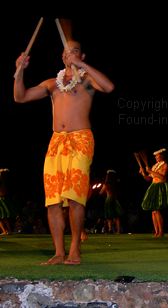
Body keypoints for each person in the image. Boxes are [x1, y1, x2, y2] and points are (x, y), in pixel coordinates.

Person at [14, 39, 115, 265]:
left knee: (76, 198)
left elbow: (109, 87)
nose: (70, 54)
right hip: (56, 142)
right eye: (66, 52)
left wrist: (82, 65)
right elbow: (20, 97)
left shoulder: (88, 81)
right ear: (62, 57)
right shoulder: (53, 83)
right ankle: (59, 252)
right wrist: (19, 71)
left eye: (75, 51)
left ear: (82, 55)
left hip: (81, 139)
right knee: (53, 201)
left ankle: (74, 251)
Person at [139, 148, 168, 237]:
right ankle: (156, 231)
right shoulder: (154, 166)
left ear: (162, 156)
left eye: (157, 156)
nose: (156, 157)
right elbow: (149, 179)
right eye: (155, 156)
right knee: (153, 211)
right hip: (153, 186)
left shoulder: (165, 165)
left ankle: (161, 231)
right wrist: (143, 173)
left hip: (160, 187)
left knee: (157, 209)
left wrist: (150, 171)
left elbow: (163, 178)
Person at [99, 170, 123, 234]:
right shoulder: (116, 183)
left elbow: (101, 192)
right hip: (115, 199)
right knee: (116, 216)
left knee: (109, 216)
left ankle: (110, 229)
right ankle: (118, 231)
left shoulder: (106, 184)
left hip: (108, 199)